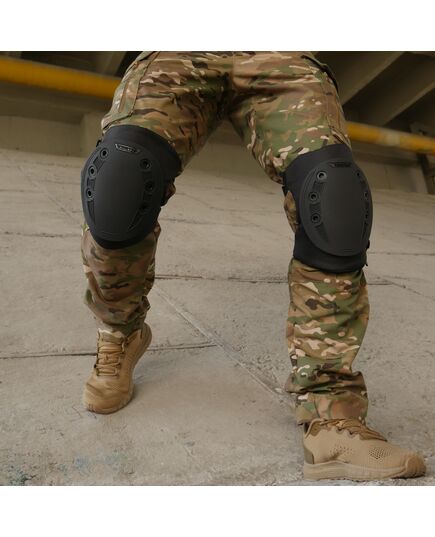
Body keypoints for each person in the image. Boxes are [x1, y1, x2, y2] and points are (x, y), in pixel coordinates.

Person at [80, 51, 425, 481]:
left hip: (278, 53)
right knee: (119, 178)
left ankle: (331, 413)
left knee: (334, 196)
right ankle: (120, 332)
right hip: (182, 48)